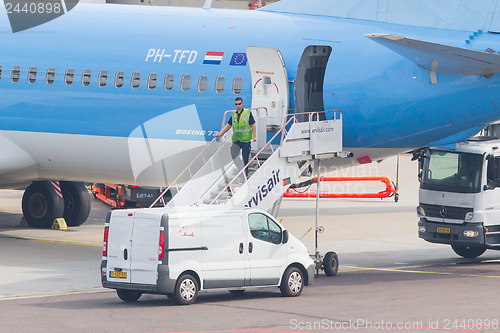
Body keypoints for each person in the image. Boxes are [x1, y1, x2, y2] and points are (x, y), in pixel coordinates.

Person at [215, 97, 256, 175]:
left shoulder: (247, 113)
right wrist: (221, 134)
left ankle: (244, 175)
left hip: (245, 140)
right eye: (236, 104)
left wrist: (254, 136)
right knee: (234, 156)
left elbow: (253, 125)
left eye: (239, 104)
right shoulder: (233, 114)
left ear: (242, 103)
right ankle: (242, 171)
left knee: (245, 159)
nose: (238, 106)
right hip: (236, 140)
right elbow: (229, 125)